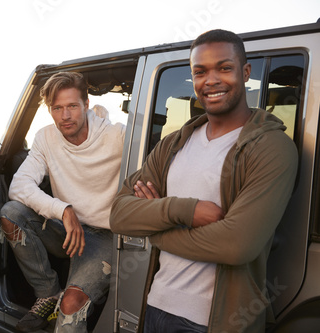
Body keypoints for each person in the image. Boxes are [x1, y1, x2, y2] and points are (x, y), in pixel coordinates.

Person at [110, 29, 298, 333]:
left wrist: (156, 232)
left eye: (224, 68)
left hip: (211, 322)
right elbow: (119, 214)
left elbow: (236, 245)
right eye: (200, 71)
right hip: (155, 308)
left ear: (245, 72)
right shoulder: (174, 143)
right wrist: (184, 211)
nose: (210, 80)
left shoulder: (272, 147)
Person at [0, 71, 125, 332]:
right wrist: (64, 210)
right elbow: (19, 186)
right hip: (66, 229)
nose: (65, 116)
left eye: (72, 106)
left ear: (86, 104)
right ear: (50, 110)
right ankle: (48, 293)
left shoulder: (118, 137)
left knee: (71, 305)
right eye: (57, 108)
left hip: (105, 236)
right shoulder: (46, 137)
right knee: (11, 213)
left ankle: (63, 304)